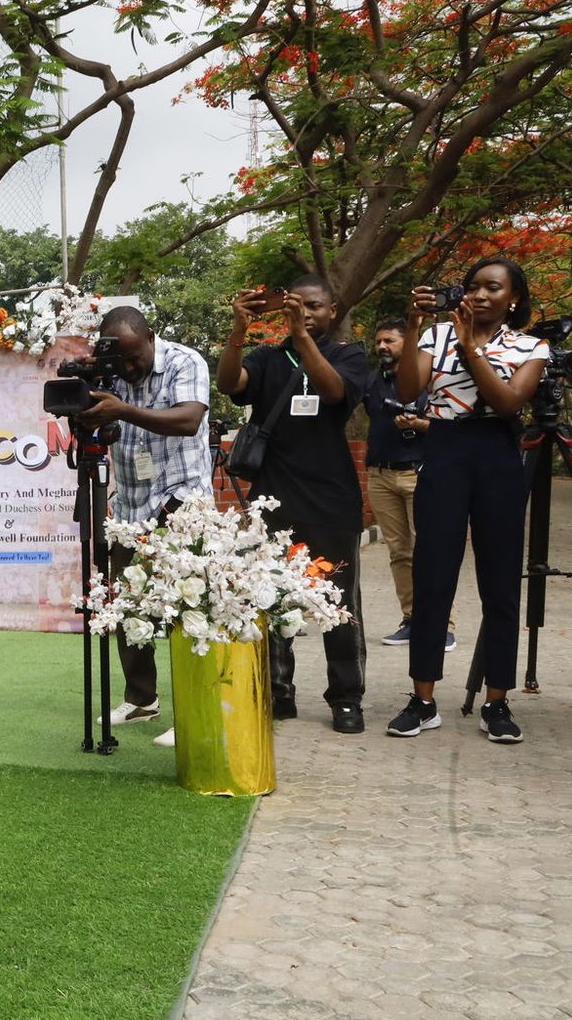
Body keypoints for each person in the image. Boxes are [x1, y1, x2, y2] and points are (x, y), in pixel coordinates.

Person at [388, 257, 549, 744]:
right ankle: (422, 699)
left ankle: (497, 701)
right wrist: (414, 327)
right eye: (473, 286)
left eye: (492, 288)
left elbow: (508, 402)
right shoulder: (435, 336)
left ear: (513, 299)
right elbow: (408, 389)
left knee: (500, 581)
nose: (479, 295)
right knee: (432, 575)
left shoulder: (531, 346)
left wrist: (470, 348)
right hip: (445, 449)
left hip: (498, 454)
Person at [218, 276, 372, 733]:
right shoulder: (268, 357)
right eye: (297, 305)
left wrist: (302, 337)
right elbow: (229, 383)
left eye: (315, 306)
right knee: (270, 598)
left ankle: (346, 697)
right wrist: (238, 330)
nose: (305, 312)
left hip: (331, 500)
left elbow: (334, 392)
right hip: (273, 498)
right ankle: (278, 692)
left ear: (332, 310)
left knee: (338, 603)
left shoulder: (348, 354)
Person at [76, 305, 214, 748]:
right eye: (121, 360)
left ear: (151, 337)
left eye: (135, 357)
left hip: (181, 503)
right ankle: (141, 699)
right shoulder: (111, 373)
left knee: (188, 610)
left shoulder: (184, 361)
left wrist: (123, 409)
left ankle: (193, 710)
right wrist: (90, 390)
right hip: (131, 508)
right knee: (128, 608)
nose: (129, 368)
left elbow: (188, 420)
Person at [362, 319, 443, 649]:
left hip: (419, 472)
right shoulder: (372, 380)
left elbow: (453, 430)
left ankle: (440, 624)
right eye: (378, 341)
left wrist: (419, 424)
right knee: (399, 552)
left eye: (390, 341)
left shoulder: (429, 379)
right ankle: (411, 619)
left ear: (408, 344)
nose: (382, 346)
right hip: (380, 475)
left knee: (431, 551)